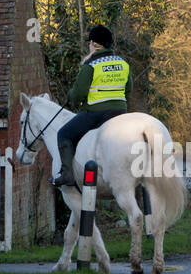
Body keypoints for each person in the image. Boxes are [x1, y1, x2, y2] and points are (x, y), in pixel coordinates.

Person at [53, 24, 132, 189]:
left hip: (96, 113)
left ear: (95, 45)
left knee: (64, 134)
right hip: (120, 112)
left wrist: (70, 97)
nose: (89, 45)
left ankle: (66, 175)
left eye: (90, 42)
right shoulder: (123, 63)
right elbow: (128, 89)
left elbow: (78, 94)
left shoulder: (91, 65)